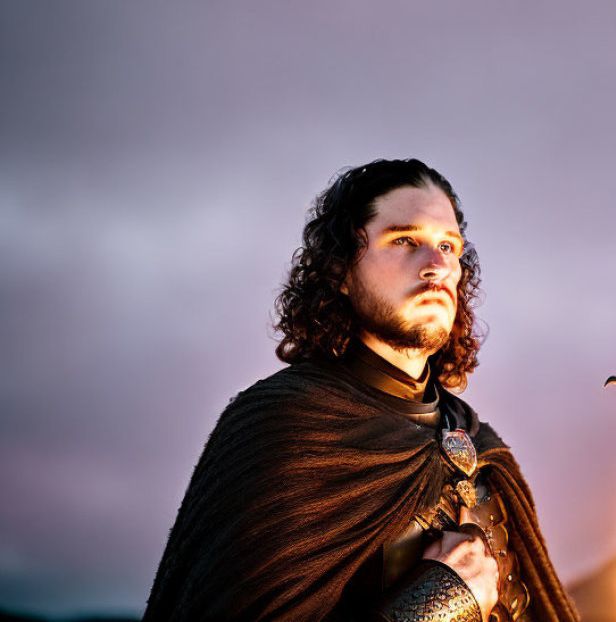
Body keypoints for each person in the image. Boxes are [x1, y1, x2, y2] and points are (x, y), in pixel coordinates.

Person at [145, 159, 580, 622]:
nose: (436, 265)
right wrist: (439, 602)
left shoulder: (475, 440)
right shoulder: (287, 428)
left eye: (448, 246)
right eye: (405, 241)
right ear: (342, 271)